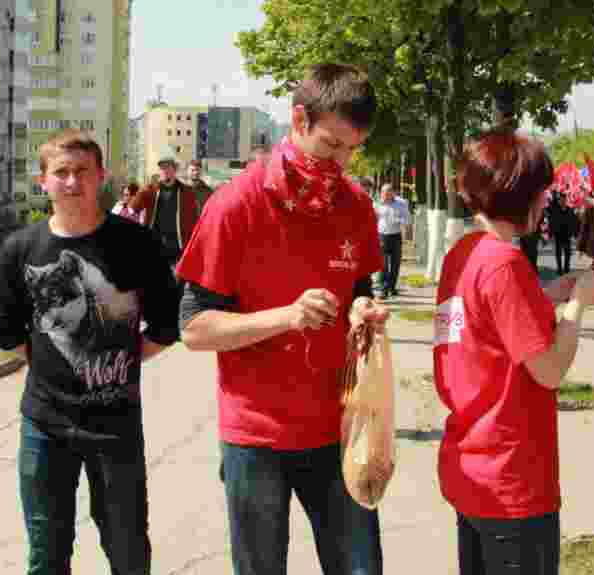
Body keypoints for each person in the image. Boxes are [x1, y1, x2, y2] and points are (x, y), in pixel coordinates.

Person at [175, 63, 388, 575]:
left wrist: (363, 309)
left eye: (352, 150)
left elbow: (360, 287)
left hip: (339, 425)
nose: (341, 162)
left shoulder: (355, 205)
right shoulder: (236, 205)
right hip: (257, 437)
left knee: (361, 568)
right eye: (332, 145)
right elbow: (194, 328)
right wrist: (287, 318)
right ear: (299, 120)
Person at [0, 129, 180, 574]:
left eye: (83, 172)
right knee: (47, 549)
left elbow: (167, 323)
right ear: (44, 182)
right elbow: (3, 328)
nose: (72, 182)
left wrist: (122, 361)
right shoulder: (21, 249)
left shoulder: (137, 243)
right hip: (45, 423)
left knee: (128, 546)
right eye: (61, 173)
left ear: (101, 178)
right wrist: (53, 364)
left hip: (116, 423)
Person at [433, 129, 594, 575]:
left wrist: (551, 291)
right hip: (512, 475)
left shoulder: (465, 253)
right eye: (542, 190)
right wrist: (578, 303)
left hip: (472, 467)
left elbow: (488, 320)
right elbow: (549, 370)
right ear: (523, 196)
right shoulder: (504, 264)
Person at [139, 152, 199, 271]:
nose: (165, 171)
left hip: (177, 248)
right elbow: (132, 209)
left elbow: (194, 220)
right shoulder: (151, 189)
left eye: (168, 167)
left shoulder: (186, 192)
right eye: (162, 168)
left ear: (174, 170)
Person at [373, 183, 410, 299]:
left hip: (395, 236)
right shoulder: (377, 204)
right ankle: (383, 289)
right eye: (383, 193)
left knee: (395, 264)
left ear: (393, 193)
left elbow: (407, 219)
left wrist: (399, 220)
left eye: (388, 193)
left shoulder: (401, 203)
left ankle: (392, 287)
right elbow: (373, 219)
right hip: (382, 236)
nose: (385, 195)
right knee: (383, 264)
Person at [544, 190, 578, 275]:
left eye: (564, 200)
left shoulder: (570, 210)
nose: (562, 201)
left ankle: (566, 269)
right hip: (558, 235)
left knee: (567, 253)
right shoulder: (555, 210)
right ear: (559, 201)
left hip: (567, 235)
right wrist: (550, 234)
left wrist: (575, 234)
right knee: (558, 253)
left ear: (566, 200)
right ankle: (559, 269)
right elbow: (551, 221)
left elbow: (574, 222)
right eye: (560, 200)